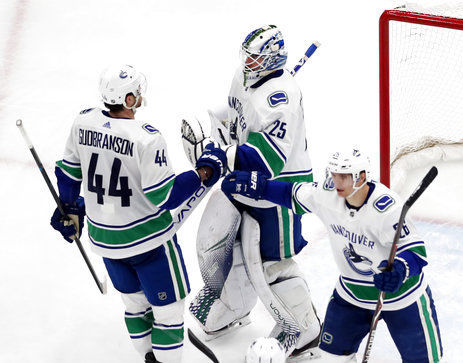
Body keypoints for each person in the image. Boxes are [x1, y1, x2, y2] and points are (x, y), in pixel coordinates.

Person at [49, 64, 226, 363]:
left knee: (134, 305)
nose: (139, 95)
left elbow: (67, 174)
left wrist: (68, 207)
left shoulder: (83, 121)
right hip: (148, 241)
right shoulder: (146, 137)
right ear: (128, 100)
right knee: (169, 311)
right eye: (135, 92)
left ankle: (148, 358)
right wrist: (205, 169)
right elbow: (166, 196)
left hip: (104, 239)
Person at [221, 147, 443, 363]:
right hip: (352, 294)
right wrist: (259, 187)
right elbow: (291, 194)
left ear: (361, 177)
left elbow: (416, 251)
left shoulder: (387, 209)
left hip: (402, 298)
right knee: (331, 357)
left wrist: (400, 270)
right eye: (335, 174)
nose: (337, 181)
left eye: (344, 176)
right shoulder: (327, 194)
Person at [186, 25, 321, 356]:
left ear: (272, 59)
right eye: (246, 55)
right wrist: (219, 128)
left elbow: (266, 160)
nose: (247, 61)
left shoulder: (281, 97)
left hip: (279, 187)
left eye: (255, 57)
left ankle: (305, 328)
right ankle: (234, 304)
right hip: (242, 176)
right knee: (226, 241)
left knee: (272, 259)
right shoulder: (245, 75)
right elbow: (238, 117)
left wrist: (221, 154)